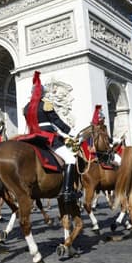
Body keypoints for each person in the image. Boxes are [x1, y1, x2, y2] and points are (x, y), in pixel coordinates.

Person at [24, 71, 79, 204]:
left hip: (32, 137)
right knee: (70, 159)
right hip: (47, 138)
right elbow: (57, 121)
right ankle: (67, 191)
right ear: (42, 93)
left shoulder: (26, 108)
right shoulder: (46, 105)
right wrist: (71, 131)